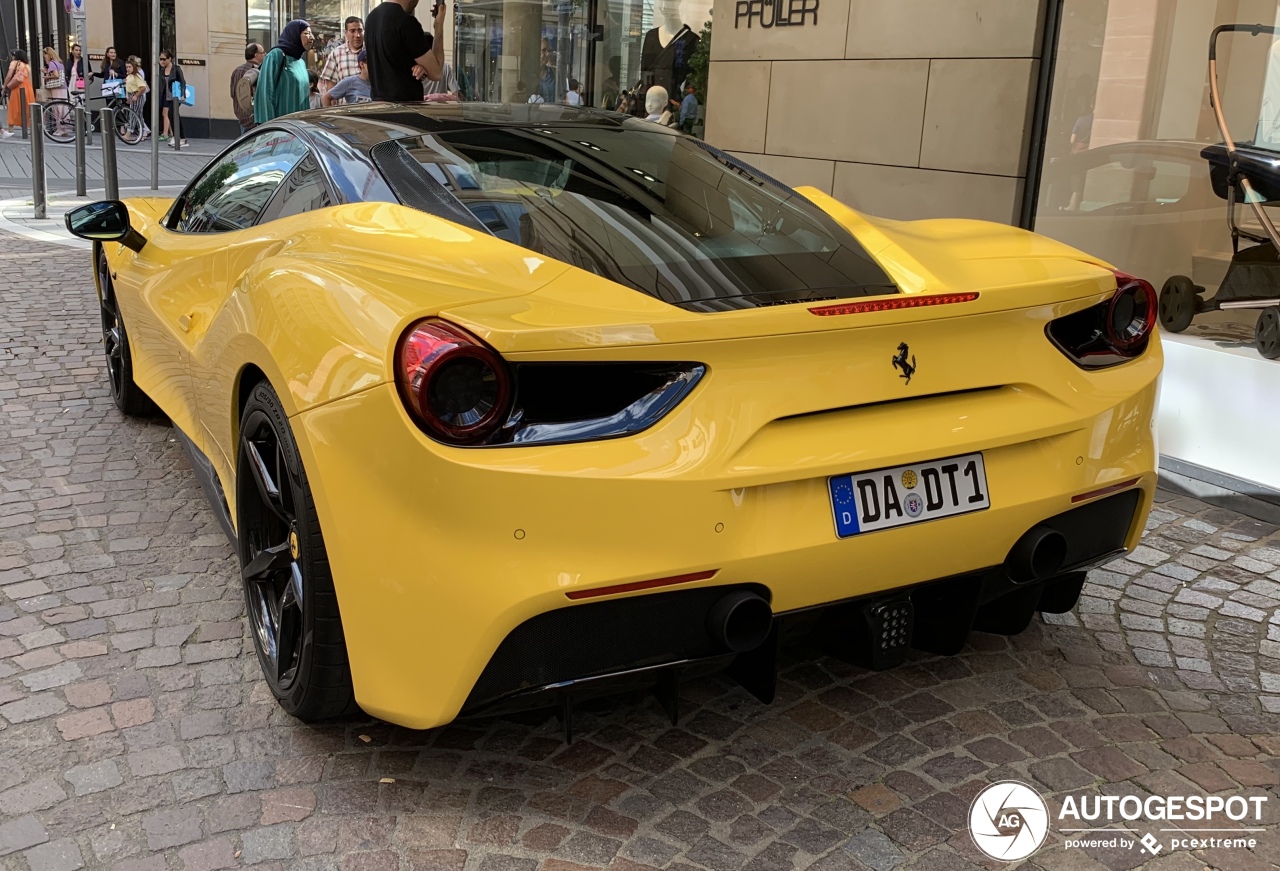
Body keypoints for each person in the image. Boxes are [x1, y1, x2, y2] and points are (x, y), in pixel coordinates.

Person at [366, 0, 447, 102]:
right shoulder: (406, 22)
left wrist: (421, 68)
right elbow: (436, 73)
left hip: (378, 106)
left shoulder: (371, 18)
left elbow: (393, 60)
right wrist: (439, 26)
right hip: (405, 109)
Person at [255, 20, 313, 124]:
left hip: (299, 129)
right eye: (307, 33)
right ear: (294, 34)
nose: (312, 37)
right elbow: (265, 93)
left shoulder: (300, 62)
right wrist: (269, 128)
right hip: (280, 131)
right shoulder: (275, 55)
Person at [318, 16, 363, 98]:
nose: (357, 35)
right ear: (346, 33)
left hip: (370, 107)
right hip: (345, 108)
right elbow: (329, 84)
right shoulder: (337, 54)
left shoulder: (372, 51)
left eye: (360, 31)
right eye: (352, 31)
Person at [232, 44, 264, 135]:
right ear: (256, 55)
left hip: (242, 118)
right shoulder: (258, 71)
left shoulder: (236, 71)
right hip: (255, 120)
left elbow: (233, 94)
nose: (265, 55)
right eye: (263, 53)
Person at [2, 50, 35, 138]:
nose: (12, 57)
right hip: (27, 87)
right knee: (27, 107)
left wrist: (4, 86)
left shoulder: (14, 63)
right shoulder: (27, 65)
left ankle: (11, 129)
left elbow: (9, 75)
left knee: (14, 107)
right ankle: (30, 128)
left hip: (18, 87)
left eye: (13, 56)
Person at [157, 51, 187, 146]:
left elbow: (182, 82)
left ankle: (179, 137)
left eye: (164, 59)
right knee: (171, 115)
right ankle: (179, 137)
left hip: (175, 96)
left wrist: (183, 95)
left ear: (170, 59)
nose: (162, 61)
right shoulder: (162, 70)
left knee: (173, 115)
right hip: (166, 96)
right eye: (160, 59)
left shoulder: (176, 69)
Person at [124, 58, 150, 141]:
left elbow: (143, 87)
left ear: (133, 67)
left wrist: (136, 95)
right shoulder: (129, 76)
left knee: (133, 114)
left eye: (130, 67)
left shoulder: (136, 75)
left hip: (137, 96)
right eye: (127, 67)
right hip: (132, 95)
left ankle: (128, 133)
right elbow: (128, 87)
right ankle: (143, 133)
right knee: (138, 115)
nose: (128, 68)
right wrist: (128, 96)